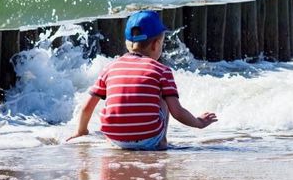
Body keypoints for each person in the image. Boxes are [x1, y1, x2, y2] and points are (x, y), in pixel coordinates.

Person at [67, 10, 217, 150]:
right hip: (149, 139)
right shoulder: (161, 70)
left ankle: (116, 140)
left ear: (127, 43)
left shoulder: (110, 68)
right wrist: (199, 123)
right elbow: (177, 112)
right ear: (156, 44)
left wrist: (81, 131)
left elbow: (87, 107)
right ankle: (161, 141)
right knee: (163, 98)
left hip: (115, 139)